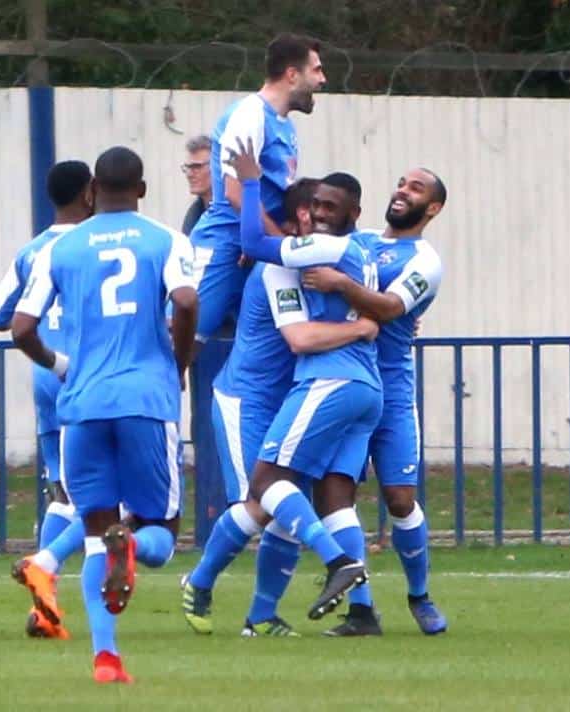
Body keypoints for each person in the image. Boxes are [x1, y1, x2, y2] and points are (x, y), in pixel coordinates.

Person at [10, 146, 198, 684]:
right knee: (161, 528)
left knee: (94, 532)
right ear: (141, 189)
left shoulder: (62, 248)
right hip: (145, 398)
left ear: (91, 190)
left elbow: (22, 328)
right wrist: (178, 363)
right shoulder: (166, 239)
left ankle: (106, 658)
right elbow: (185, 302)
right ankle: (133, 545)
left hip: (82, 405)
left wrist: (58, 363)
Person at [183, 177, 380, 637]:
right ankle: (203, 582)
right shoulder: (278, 269)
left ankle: (261, 613)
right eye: (308, 212)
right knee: (264, 500)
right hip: (246, 397)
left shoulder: (321, 259)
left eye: (323, 210)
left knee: (282, 501)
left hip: (304, 392)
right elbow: (300, 338)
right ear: (292, 223)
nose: (314, 219)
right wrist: (365, 326)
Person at [189, 32, 326, 549]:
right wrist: (272, 237)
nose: (322, 80)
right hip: (229, 242)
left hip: (257, 240)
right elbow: (232, 190)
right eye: (317, 69)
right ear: (291, 73)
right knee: (180, 343)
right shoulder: (250, 113)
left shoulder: (285, 128)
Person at [301, 167, 448, 635]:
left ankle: (419, 595)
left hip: (391, 388)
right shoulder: (358, 239)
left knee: (399, 497)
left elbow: (389, 308)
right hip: (347, 383)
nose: (403, 190)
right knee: (335, 493)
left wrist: (342, 286)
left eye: (416, 188)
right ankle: (362, 611)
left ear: (434, 208)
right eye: (402, 182)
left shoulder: (426, 260)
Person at [0, 160, 93, 640]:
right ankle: (44, 585)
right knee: (96, 491)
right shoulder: (92, 244)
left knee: (59, 487)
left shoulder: (31, 251)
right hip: (82, 375)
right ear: (89, 193)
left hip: (45, 376)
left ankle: (44, 606)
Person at [181, 134, 213, 235]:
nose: (189, 174)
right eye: (187, 167)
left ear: (217, 166)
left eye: (197, 167)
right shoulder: (194, 213)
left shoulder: (236, 208)